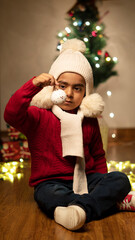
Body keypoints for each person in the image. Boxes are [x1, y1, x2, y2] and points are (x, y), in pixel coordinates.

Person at [4, 39, 135, 231]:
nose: (69, 93)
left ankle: (78, 210)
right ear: (52, 87)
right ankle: (105, 203)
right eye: (63, 85)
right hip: (51, 183)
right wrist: (33, 85)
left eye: (77, 88)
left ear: (85, 92)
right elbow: (11, 114)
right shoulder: (38, 116)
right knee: (48, 197)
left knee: (120, 179)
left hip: (86, 178)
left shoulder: (89, 120)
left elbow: (98, 154)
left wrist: (101, 182)